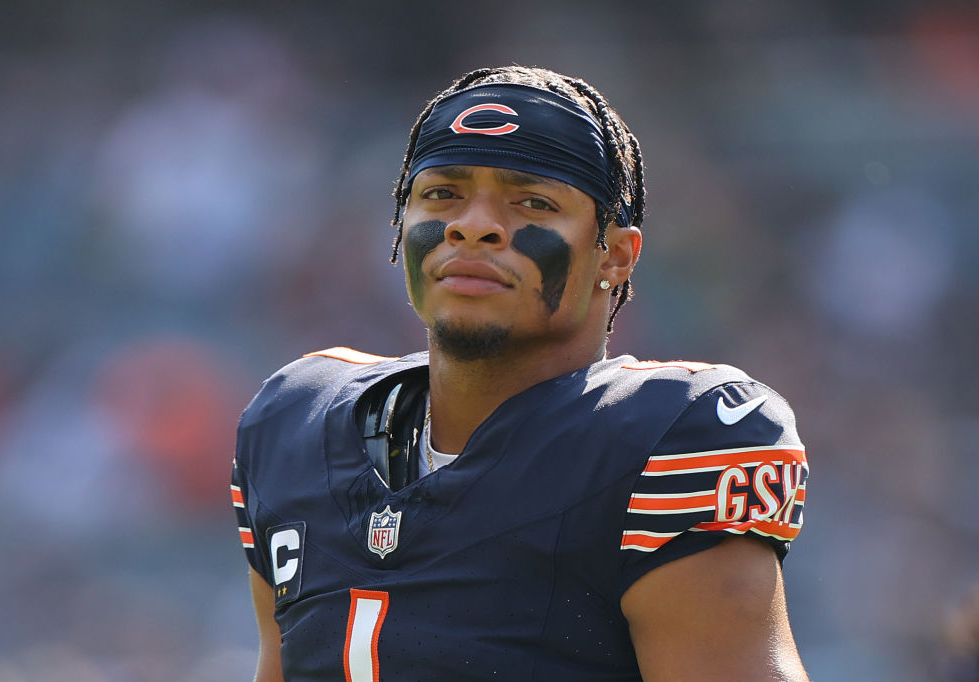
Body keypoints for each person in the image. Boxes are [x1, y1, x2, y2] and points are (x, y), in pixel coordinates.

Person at [231, 65, 811, 681]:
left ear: (613, 255)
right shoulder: (293, 421)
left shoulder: (672, 436)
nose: (472, 224)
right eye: (441, 194)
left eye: (533, 201)